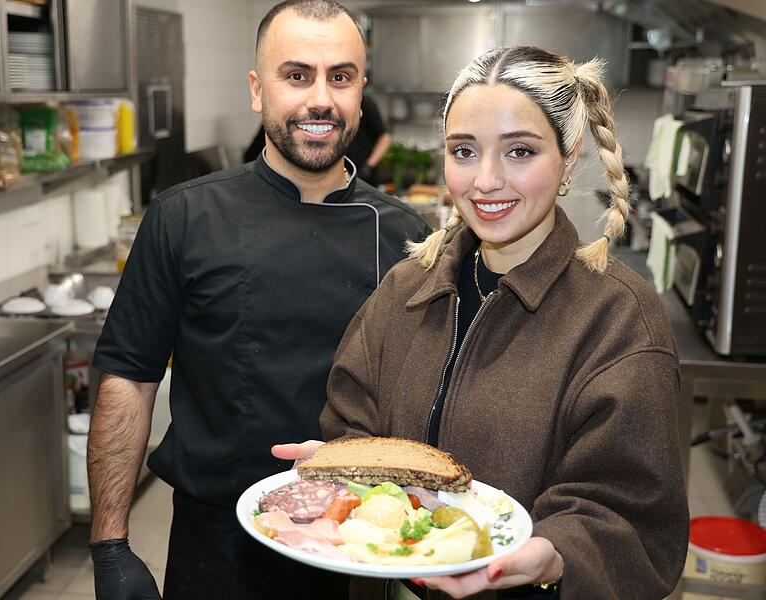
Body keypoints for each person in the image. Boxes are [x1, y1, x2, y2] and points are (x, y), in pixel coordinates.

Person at [275, 46, 689, 599]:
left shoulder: (619, 320)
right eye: (464, 151)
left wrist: (554, 551)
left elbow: (631, 513)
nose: (486, 180)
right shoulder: (406, 290)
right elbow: (351, 418)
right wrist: (353, 464)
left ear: (569, 157)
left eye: (520, 151)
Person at [87, 1, 429, 599]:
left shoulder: (408, 236)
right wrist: (109, 543)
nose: (320, 99)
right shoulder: (183, 217)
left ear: (360, 92)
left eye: (340, 77)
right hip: (217, 551)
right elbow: (128, 377)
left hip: (361, 547)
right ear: (257, 89)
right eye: (296, 75)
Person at [243, 95, 392, 184]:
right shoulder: (277, 121)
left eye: (338, 78)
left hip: (361, 176)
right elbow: (251, 155)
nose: (321, 103)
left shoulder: (365, 104)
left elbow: (384, 137)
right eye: (297, 77)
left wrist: (369, 166)